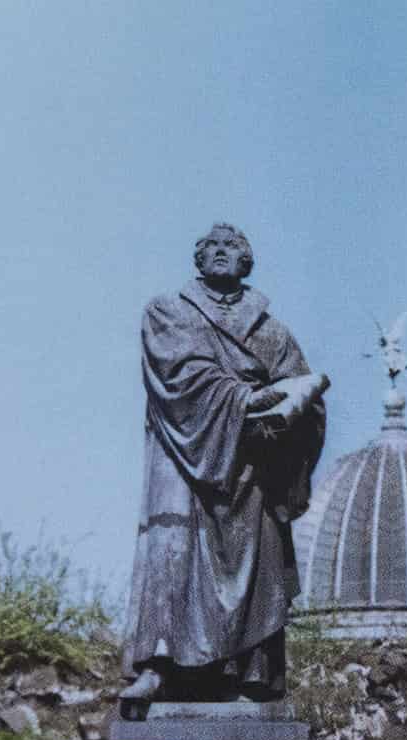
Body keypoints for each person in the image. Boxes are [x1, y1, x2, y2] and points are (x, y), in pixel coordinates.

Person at [119, 223, 326, 714]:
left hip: (251, 461)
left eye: (231, 246)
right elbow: (179, 375)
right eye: (209, 245)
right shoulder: (169, 311)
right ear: (197, 259)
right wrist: (245, 398)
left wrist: (290, 413)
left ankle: (248, 671)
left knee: (258, 548)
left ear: (246, 263)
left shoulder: (271, 331)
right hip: (183, 453)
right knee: (173, 549)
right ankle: (158, 666)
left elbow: (303, 396)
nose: (218, 251)